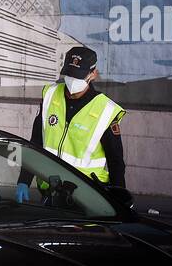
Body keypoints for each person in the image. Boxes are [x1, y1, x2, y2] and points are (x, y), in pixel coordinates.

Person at [16, 46, 126, 202]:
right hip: (50, 190)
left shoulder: (105, 110)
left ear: (93, 74)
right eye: (70, 74)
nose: (72, 80)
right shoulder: (50, 95)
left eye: (79, 76)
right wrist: (24, 180)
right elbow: (35, 143)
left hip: (88, 195)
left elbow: (115, 161)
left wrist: (120, 200)